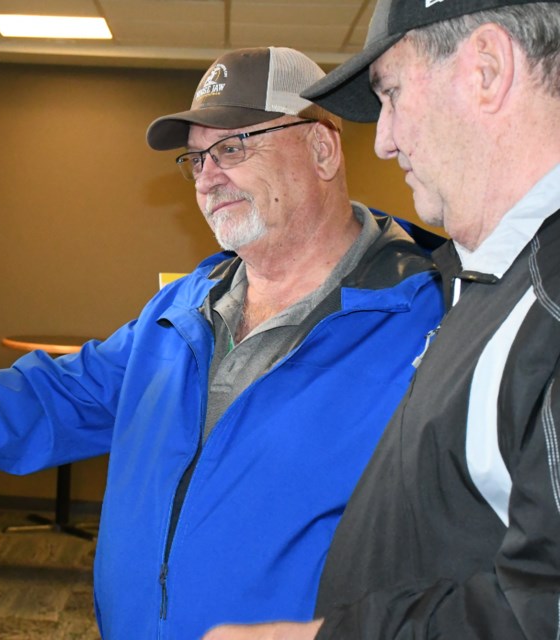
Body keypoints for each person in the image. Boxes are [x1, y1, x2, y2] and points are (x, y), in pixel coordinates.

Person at [0, 47, 444, 639]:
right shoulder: (183, 308)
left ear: (322, 151)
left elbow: (498, 562)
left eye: (234, 147)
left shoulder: (427, 318)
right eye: (196, 158)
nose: (207, 177)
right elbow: (60, 398)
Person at [202, 1, 560, 639]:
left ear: (487, 68)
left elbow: (545, 614)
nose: (384, 139)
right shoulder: (481, 282)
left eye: (392, 94)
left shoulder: (548, 305)